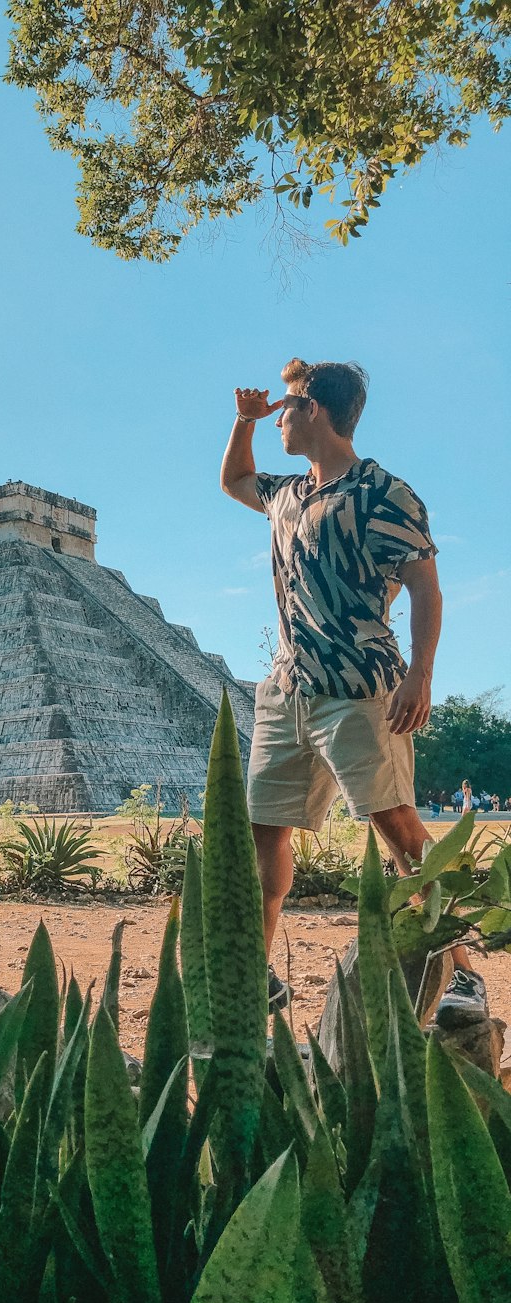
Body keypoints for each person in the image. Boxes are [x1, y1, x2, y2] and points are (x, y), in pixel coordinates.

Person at [221, 357, 487, 1024]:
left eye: (286, 407)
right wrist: (242, 423)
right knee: (263, 833)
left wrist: (421, 674)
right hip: (286, 691)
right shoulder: (288, 494)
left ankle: (466, 975)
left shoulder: (381, 493)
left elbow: (425, 587)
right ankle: (254, 974)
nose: (278, 417)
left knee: (398, 831)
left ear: (315, 411)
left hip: (359, 688)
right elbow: (234, 480)